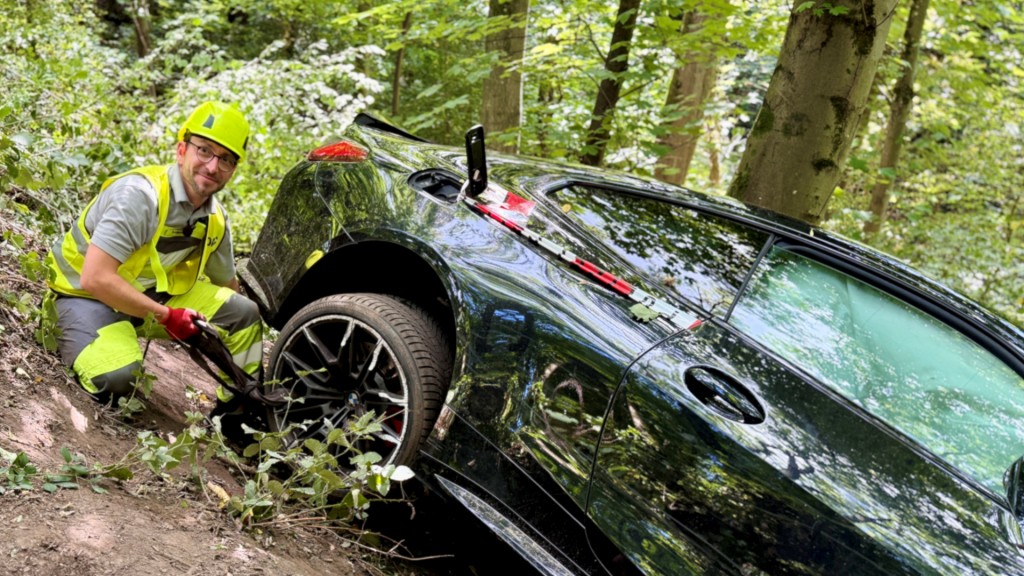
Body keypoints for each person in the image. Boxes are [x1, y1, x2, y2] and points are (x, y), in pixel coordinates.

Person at [45, 101, 263, 404]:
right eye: (204, 150)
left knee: (244, 313)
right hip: (84, 296)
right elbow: (95, 278)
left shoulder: (215, 219)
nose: (213, 166)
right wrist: (167, 316)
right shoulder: (139, 197)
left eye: (225, 159)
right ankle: (83, 335)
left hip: (148, 299)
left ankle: (239, 411)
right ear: (181, 150)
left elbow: (228, 289)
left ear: (233, 170)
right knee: (119, 380)